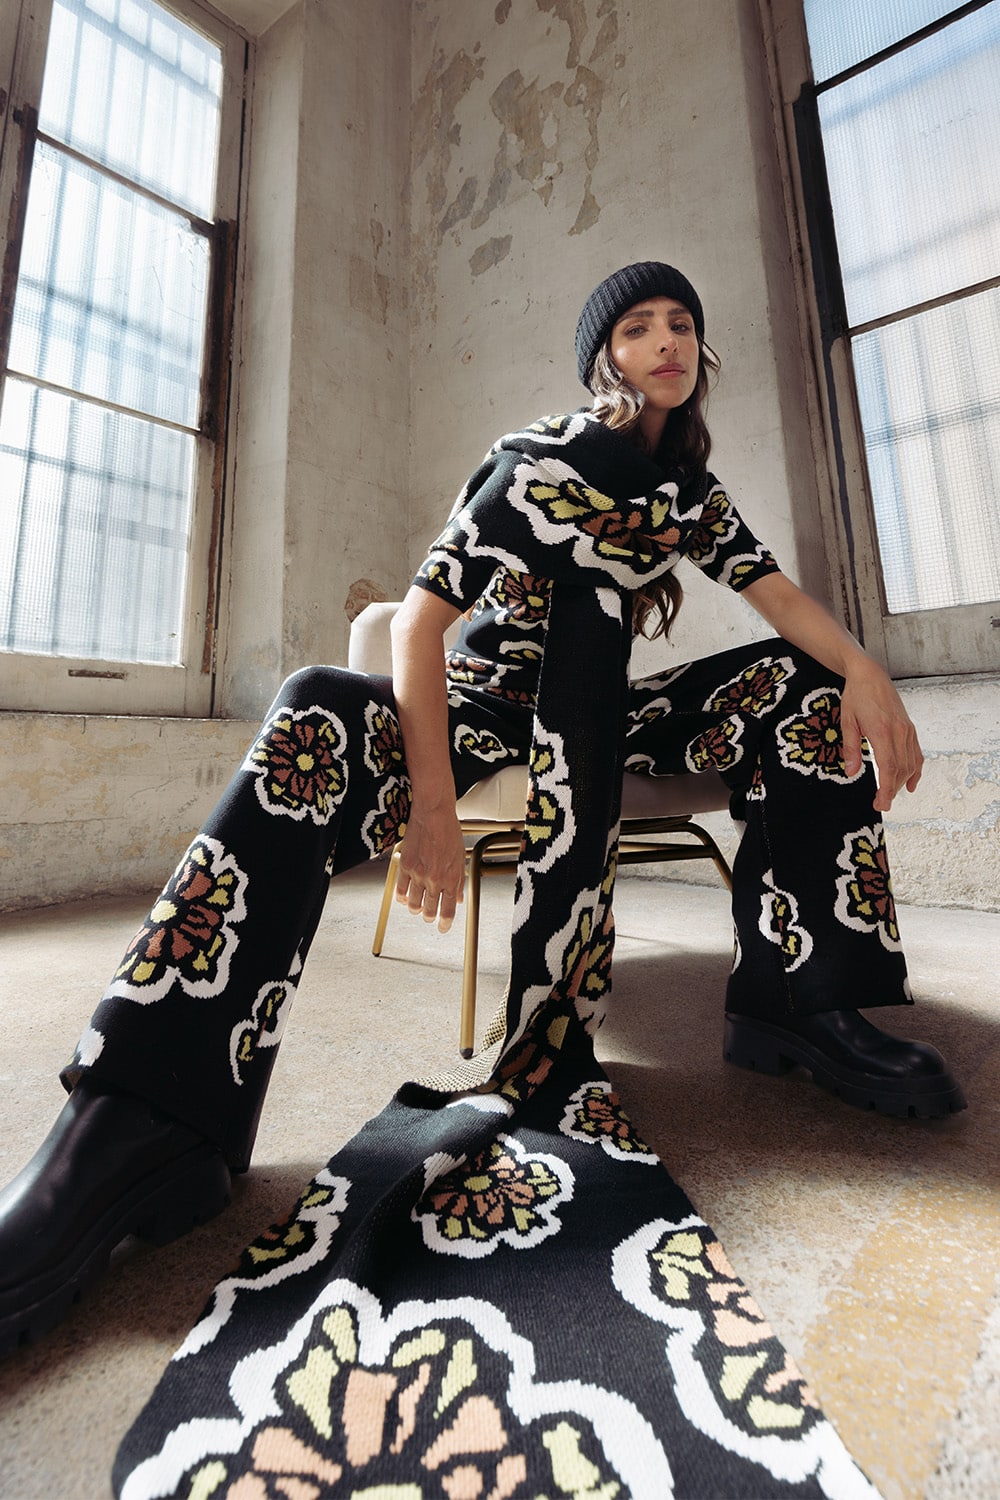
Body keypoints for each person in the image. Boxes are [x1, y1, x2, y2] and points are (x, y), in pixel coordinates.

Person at [0, 261, 965, 1367]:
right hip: (486, 706)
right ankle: (143, 1113)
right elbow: (419, 627)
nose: (665, 341)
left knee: (807, 685)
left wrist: (864, 668)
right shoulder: (539, 459)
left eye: (682, 324)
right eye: (637, 327)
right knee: (316, 707)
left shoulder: (685, 493)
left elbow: (775, 595)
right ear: (604, 360)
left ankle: (801, 1001)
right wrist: (429, 807)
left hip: (605, 715)